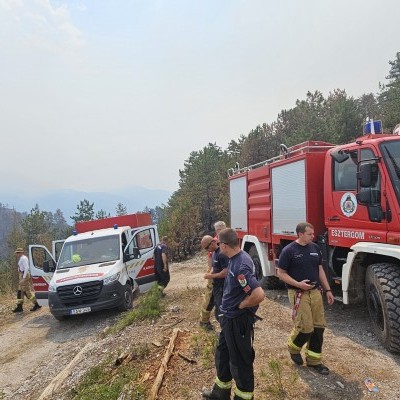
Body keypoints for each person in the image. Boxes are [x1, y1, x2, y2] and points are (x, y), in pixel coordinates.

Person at [202, 228, 265, 400]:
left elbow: (258, 294)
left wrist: (243, 305)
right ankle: (220, 393)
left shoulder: (240, 265)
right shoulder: (234, 258)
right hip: (228, 318)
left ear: (223, 245)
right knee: (223, 353)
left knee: (239, 361)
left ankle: (243, 396)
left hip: (238, 320)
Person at [277, 222, 335, 375]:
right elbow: (280, 273)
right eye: (310, 234)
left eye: (313, 233)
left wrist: (328, 289)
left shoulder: (315, 248)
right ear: (300, 234)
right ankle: (293, 348)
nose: (313, 236)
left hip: (315, 292)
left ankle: (314, 361)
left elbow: (320, 269)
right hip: (298, 293)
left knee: (318, 327)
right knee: (305, 328)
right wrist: (298, 284)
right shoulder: (288, 251)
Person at [199, 221, 227, 330]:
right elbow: (212, 261)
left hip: (221, 283)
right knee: (211, 299)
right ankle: (204, 321)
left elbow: (226, 271)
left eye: (206, 248)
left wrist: (212, 275)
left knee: (220, 305)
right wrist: (211, 272)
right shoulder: (215, 250)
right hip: (216, 282)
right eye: (218, 230)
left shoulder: (221, 250)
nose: (207, 251)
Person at [12, 248, 41, 313]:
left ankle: (37, 304)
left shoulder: (23, 258)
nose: (17, 254)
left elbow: (27, 268)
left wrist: (24, 278)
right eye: (17, 252)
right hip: (22, 275)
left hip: (23, 275)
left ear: (22, 252)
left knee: (27, 292)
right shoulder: (22, 258)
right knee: (20, 292)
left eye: (18, 252)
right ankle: (19, 307)